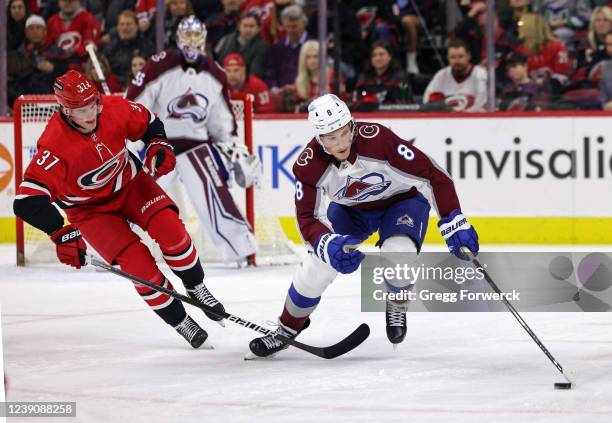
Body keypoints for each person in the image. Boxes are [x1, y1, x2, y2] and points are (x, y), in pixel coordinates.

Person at [246, 94, 479, 359]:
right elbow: (308, 219)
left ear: (352, 125)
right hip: (350, 210)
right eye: (331, 138)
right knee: (318, 264)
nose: (340, 143)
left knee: (398, 253)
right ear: (319, 138)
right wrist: (327, 244)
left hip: (401, 202)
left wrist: (453, 220)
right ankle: (286, 328)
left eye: (344, 133)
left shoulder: (379, 140)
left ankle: (397, 300)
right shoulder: (308, 166)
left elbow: (433, 176)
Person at [13, 70, 225, 349]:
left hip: (132, 186)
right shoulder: (54, 145)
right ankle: (180, 320)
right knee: (139, 267)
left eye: (93, 105)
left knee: (173, 232)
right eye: (82, 109)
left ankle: (195, 286)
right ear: (65, 110)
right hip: (91, 212)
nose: (91, 114)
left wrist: (157, 144)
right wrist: (60, 232)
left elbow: (149, 122)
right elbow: (26, 200)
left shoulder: (113, 108)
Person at [126, 15, 260, 265]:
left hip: (195, 145)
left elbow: (221, 121)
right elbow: (136, 103)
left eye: (195, 36)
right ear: (177, 38)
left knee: (216, 199)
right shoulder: (159, 64)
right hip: (159, 144)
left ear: (204, 39)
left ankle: (241, 251)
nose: (191, 42)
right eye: (186, 36)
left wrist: (233, 150)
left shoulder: (215, 73)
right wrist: (128, 140)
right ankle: (113, 249)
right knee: (137, 198)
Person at [423, 39, 487, 112]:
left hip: (474, 120)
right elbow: (427, 102)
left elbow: (482, 104)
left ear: (468, 56)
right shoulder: (441, 76)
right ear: (448, 58)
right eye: (453, 57)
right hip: (447, 121)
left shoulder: (480, 75)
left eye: (460, 57)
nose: (457, 61)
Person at [102, 10, 155, 87]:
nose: (125, 28)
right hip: (116, 89)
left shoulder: (146, 46)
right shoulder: (110, 48)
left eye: (128, 24)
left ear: (137, 26)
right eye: (122, 24)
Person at [353, 41, 409, 110]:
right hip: (367, 117)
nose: (377, 58)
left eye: (381, 54)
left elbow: (406, 102)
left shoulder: (400, 77)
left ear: (390, 56)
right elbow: (355, 102)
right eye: (374, 55)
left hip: (393, 117)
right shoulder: (363, 78)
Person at [214, 11, 270, 79]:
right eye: (245, 26)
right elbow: (219, 63)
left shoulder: (263, 47)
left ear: (259, 28)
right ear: (239, 27)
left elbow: (256, 73)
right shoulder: (226, 40)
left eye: (251, 26)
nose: (248, 30)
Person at [45, 0, 101, 65]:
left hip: (81, 65)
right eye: (64, 0)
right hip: (57, 66)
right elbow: (47, 45)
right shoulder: (52, 21)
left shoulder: (88, 18)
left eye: (71, 0)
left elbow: (91, 45)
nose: (68, 3)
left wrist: (75, 52)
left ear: (79, 1)